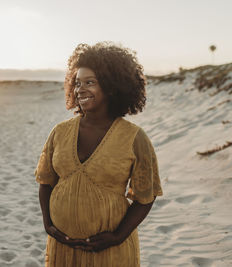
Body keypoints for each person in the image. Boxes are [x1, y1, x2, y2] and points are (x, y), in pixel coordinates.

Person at [35, 42, 163, 266]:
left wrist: (117, 236)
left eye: (89, 82)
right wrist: (48, 224)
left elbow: (146, 197)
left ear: (112, 87)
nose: (80, 89)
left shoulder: (134, 138)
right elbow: (46, 182)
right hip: (63, 249)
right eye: (77, 83)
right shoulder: (60, 132)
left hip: (110, 252)